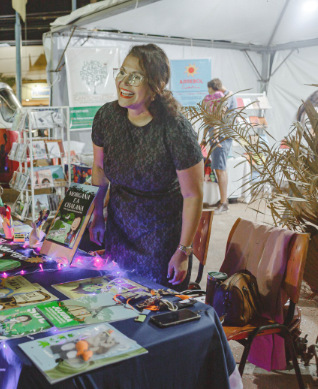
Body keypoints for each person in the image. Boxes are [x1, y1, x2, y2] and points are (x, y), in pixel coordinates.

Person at [89, 44, 203, 291]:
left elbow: (193, 195)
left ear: (156, 86)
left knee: (153, 312)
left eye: (136, 77)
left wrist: (183, 251)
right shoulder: (106, 117)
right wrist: (97, 214)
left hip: (161, 240)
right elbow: (99, 169)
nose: (124, 82)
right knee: (117, 300)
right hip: (118, 232)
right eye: (122, 72)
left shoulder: (175, 128)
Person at [205, 78, 235, 215]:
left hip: (220, 138)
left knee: (219, 168)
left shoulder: (224, 97)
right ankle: (222, 201)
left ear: (212, 87)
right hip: (217, 136)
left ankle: (224, 203)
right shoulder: (225, 96)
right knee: (218, 168)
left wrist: (215, 134)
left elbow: (217, 116)